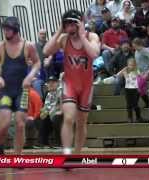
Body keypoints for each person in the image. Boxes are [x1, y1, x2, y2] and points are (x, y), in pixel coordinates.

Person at [43, 10, 100, 155]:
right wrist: (58, 31)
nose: (69, 27)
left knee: (81, 123)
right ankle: (67, 152)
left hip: (86, 86)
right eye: (66, 24)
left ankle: (77, 153)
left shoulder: (91, 36)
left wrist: (82, 35)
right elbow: (46, 51)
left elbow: (94, 54)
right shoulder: (63, 39)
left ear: (80, 23)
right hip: (70, 84)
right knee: (68, 117)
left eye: (72, 23)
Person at [0, 16, 40, 155]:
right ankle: (0, 146)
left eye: (8, 30)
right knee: (4, 124)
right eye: (4, 30)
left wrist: (30, 76)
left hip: (22, 91)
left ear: (15, 29)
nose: (5, 32)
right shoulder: (0, 47)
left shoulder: (28, 46)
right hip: (5, 91)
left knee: (20, 124)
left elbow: (37, 62)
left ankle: (18, 155)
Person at [117, 58, 146, 123]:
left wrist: (148, 72)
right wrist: (123, 71)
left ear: (135, 65)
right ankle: (130, 118)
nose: (131, 66)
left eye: (133, 65)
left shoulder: (137, 70)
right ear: (127, 65)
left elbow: (142, 77)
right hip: (128, 89)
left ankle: (138, 117)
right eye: (130, 65)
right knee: (128, 105)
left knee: (135, 104)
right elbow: (118, 75)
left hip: (135, 89)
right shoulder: (125, 70)